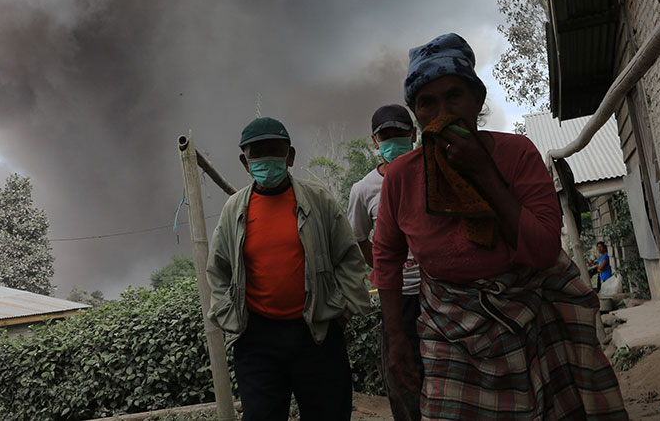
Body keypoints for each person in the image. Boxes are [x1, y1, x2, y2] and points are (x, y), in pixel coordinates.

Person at [371, 33, 627, 420]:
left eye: (454, 96)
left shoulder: (517, 154)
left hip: (528, 311)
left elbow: (542, 250)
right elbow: (386, 257)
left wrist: (483, 174)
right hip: (447, 325)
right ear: (416, 114)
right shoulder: (402, 177)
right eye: (427, 102)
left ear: (477, 99)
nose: (442, 112)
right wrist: (395, 339)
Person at [206, 116, 370, 421]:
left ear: (290, 155)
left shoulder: (318, 200)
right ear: (245, 161)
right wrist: (232, 320)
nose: (267, 159)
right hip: (257, 340)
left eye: (274, 149)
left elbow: (349, 258)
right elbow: (218, 270)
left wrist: (341, 311)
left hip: (317, 333)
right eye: (257, 152)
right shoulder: (235, 210)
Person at [346, 104, 421, 421]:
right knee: (403, 376)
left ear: (413, 135)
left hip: (440, 291)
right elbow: (359, 236)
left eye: (399, 135)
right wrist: (381, 271)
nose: (393, 141)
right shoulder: (363, 190)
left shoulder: (433, 171)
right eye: (385, 136)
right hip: (398, 300)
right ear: (375, 142)